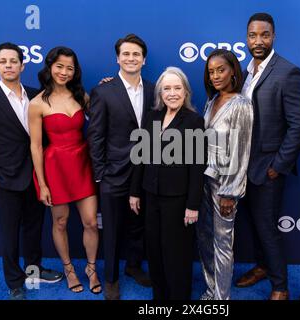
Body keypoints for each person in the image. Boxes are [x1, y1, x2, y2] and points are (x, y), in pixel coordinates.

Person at [0, 42, 63, 300]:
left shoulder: (37, 94)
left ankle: (33, 270)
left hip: (37, 177)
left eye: (14, 61)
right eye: (4, 61)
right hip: (7, 180)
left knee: (34, 229)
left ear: (23, 65)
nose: (9, 65)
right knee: (10, 234)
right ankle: (14, 281)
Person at [234, 12, 300, 300]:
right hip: (243, 166)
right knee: (253, 223)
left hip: (267, 168)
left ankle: (280, 286)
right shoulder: (244, 72)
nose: (258, 41)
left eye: (264, 35)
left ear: (273, 36)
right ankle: (262, 266)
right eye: (253, 35)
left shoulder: (288, 72)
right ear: (247, 37)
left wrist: (278, 166)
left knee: (267, 226)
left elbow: (299, 124)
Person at [28, 46, 101, 294]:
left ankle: (91, 268)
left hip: (82, 163)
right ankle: (69, 269)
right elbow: (36, 146)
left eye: (70, 68)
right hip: (55, 167)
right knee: (60, 222)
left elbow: (102, 117)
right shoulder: (37, 103)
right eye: (59, 66)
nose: (64, 72)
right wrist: (43, 183)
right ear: (50, 67)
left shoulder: (82, 96)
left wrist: (109, 86)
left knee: (91, 222)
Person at [129, 67, 206, 300]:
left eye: (177, 88)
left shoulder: (194, 120)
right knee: (154, 250)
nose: (172, 93)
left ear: (186, 92)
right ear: (160, 93)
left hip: (179, 200)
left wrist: (193, 205)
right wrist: (135, 192)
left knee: (177, 254)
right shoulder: (152, 117)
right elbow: (140, 157)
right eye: (167, 88)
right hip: (151, 195)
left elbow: (197, 166)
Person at [87, 34, 154, 300]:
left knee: (139, 226)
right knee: (112, 229)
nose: (131, 58)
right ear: (118, 58)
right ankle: (111, 278)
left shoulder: (153, 89)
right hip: (113, 174)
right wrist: (101, 173)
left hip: (146, 173)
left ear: (144, 59)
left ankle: (134, 266)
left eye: (136, 54)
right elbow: (95, 136)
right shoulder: (103, 91)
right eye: (126, 54)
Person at [197, 49, 254, 300]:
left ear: (233, 71)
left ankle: (221, 299)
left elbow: (241, 151)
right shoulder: (211, 101)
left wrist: (231, 192)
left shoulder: (241, 104)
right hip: (204, 180)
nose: (216, 76)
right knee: (206, 238)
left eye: (221, 70)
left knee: (222, 244)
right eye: (211, 72)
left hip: (224, 184)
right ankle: (211, 291)